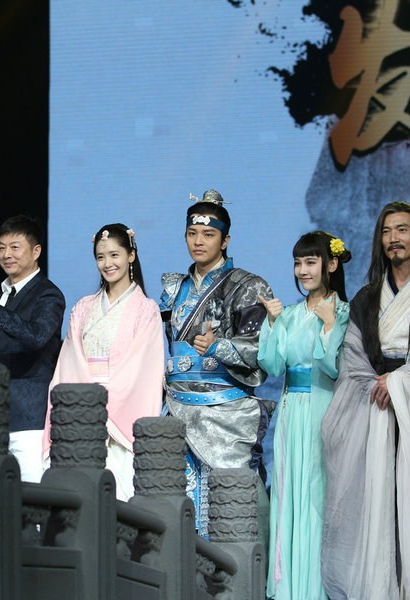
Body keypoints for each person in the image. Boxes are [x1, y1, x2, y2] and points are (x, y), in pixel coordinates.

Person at [320, 201, 410, 599]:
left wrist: (400, 383)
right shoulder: (367, 298)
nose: (393, 239)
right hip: (378, 408)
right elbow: (353, 359)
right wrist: (378, 384)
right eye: (386, 232)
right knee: (380, 507)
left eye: (402, 230)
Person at [160, 189, 274, 538]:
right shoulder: (173, 288)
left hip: (225, 410)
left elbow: (261, 349)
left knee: (232, 506)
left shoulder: (247, 286)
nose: (199, 241)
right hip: (177, 406)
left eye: (208, 234)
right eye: (192, 233)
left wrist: (218, 347)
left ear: (225, 240)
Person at [257, 231, 351, 600]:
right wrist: (272, 322)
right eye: (298, 263)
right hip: (291, 410)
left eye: (311, 262)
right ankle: (288, 588)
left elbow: (335, 368)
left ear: (331, 264)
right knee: (287, 492)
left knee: (317, 494)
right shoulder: (292, 315)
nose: (303, 270)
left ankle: (317, 589)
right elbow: (271, 364)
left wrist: (329, 326)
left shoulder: (344, 313)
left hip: (324, 409)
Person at [43, 223, 164, 500]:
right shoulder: (83, 307)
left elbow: (143, 371)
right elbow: (70, 362)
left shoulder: (146, 310)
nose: (107, 263)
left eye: (114, 255)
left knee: (118, 498)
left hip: (120, 422)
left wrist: (102, 405)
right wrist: (85, 403)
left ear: (131, 256)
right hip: (82, 415)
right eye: (101, 257)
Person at [0, 215, 65, 483]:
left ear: (36, 251)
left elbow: (37, 336)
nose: (6, 254)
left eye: (14, 247)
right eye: (1, 248)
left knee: (31, 496)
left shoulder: (48, 294)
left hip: (30, 418)